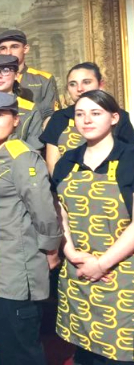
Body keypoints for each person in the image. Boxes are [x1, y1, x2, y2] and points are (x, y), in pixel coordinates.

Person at [0, 92, 62, 365]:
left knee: (21, 349)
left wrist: (51, 250)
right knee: (3, 346)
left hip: (16, 269)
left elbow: (43, 209)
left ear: (15, 120)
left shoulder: (22, 156)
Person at [52, 90, 134, 365]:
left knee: (121, 354)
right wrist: (71, 253)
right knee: (85, 353)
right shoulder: (67, 161)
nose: (86, 120)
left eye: (96, 113)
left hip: (122, 275)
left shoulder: (130, 157)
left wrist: (101, 264)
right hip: (78, 272)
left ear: (114, 118)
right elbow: (59, 212)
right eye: (80, 114)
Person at [40, 62, 134, 174]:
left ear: (100, 84)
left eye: (86, 82)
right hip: (67, 183)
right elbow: (52, 163)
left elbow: (129, 157)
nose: (79, 88)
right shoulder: (59, 118)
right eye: (73, 84)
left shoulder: (119, 116)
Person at [0, 29, 59, 119]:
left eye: (14, 47)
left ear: (25, 49)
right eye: (3, 48)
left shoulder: (44, 79)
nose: (8, 52)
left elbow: (51, 114)